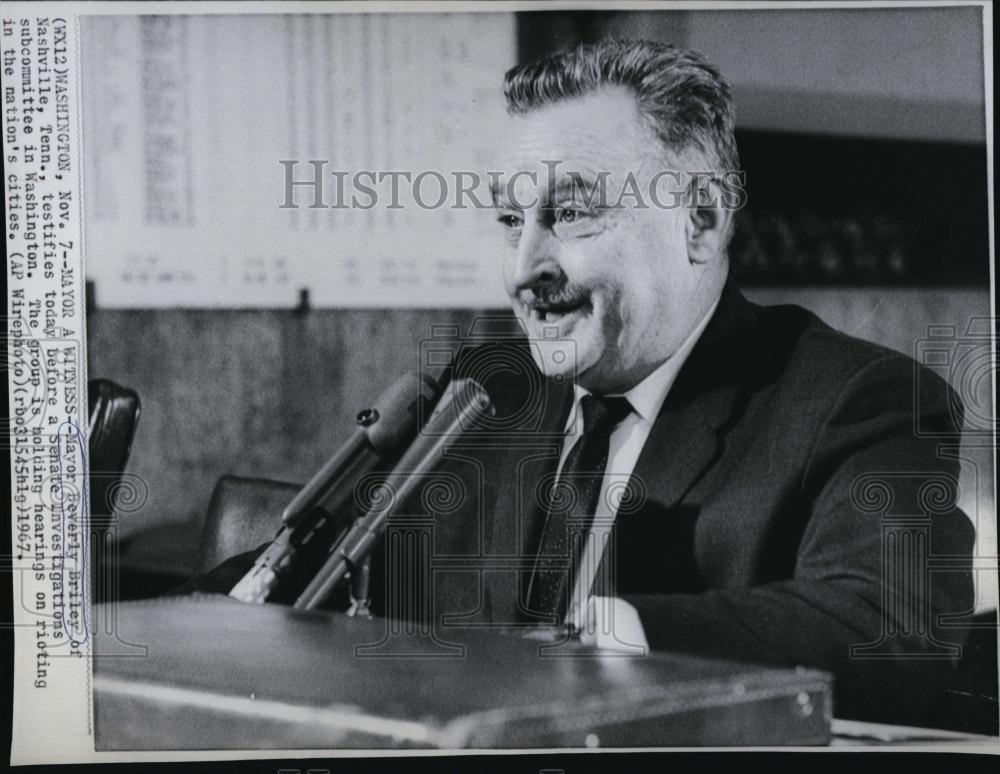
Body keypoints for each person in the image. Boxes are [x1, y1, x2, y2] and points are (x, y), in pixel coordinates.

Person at [176, 40, 975, 727]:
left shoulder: (860, 401)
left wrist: (600, 640)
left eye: (572, 214)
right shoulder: (487, 392)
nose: (525, 271)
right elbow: (306, 569)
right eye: (508, 221)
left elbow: (890, 630)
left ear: (700, 220)